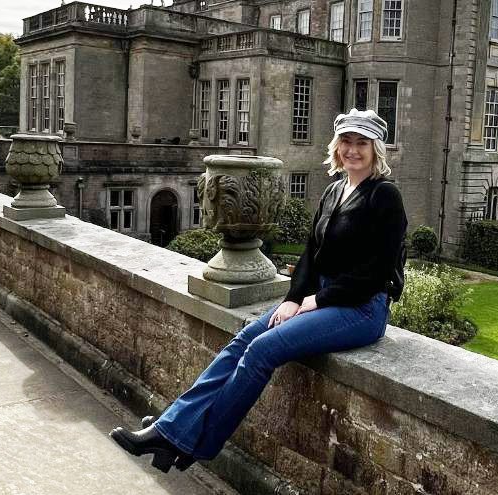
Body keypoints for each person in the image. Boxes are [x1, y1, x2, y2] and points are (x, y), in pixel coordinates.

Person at [109, 108, 408, 472]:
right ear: (337, 146)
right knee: (245, 337)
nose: (352, 150)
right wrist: (293, 298)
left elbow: (377, 273)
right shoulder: (334, 190)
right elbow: (312, 255)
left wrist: (316, 300)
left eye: (362, 143)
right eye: (346, 141)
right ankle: (172, 430)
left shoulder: (384, 196)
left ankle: (189, 442)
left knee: (264, 349)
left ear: (376, 149)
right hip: (323, 299)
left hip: (361, 308)